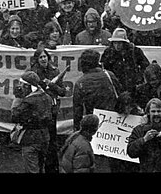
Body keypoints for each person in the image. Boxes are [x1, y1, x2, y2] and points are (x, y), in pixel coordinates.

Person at [30, 45, 68, 173]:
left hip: (52, 110)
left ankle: (52, 168)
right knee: (40, 141)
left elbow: (62, 92)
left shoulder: (55, 71)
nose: (43, 59)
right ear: (36, 59)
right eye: (40, 57)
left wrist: (51, 85)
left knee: (52, 141)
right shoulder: (32, 73)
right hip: (38, 111)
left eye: (45, 56)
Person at [11, 70, 53, 173]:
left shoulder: (27, 101)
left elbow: (14, 117)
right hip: (45, 137)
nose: (20, 86)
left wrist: (17, 98)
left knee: (31, 170)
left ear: (27, 86)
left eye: (22, 84)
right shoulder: (47, 97)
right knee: (40, 168)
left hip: (30, 139)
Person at [72, 49, 122, 131]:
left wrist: (77, 130)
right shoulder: (109, 75)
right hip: (114, 120)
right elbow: (120, 94)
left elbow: (78, 111)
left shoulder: (80, 83)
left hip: (93, 123)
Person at [100, 28, 150, 96]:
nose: (117, 46)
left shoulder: (134, 51)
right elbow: (103, 69)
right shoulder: (108, 53)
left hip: (133, 86)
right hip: (115, 86)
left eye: (119, 43)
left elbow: (146, 66)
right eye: (115, 43)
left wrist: (139, 78)